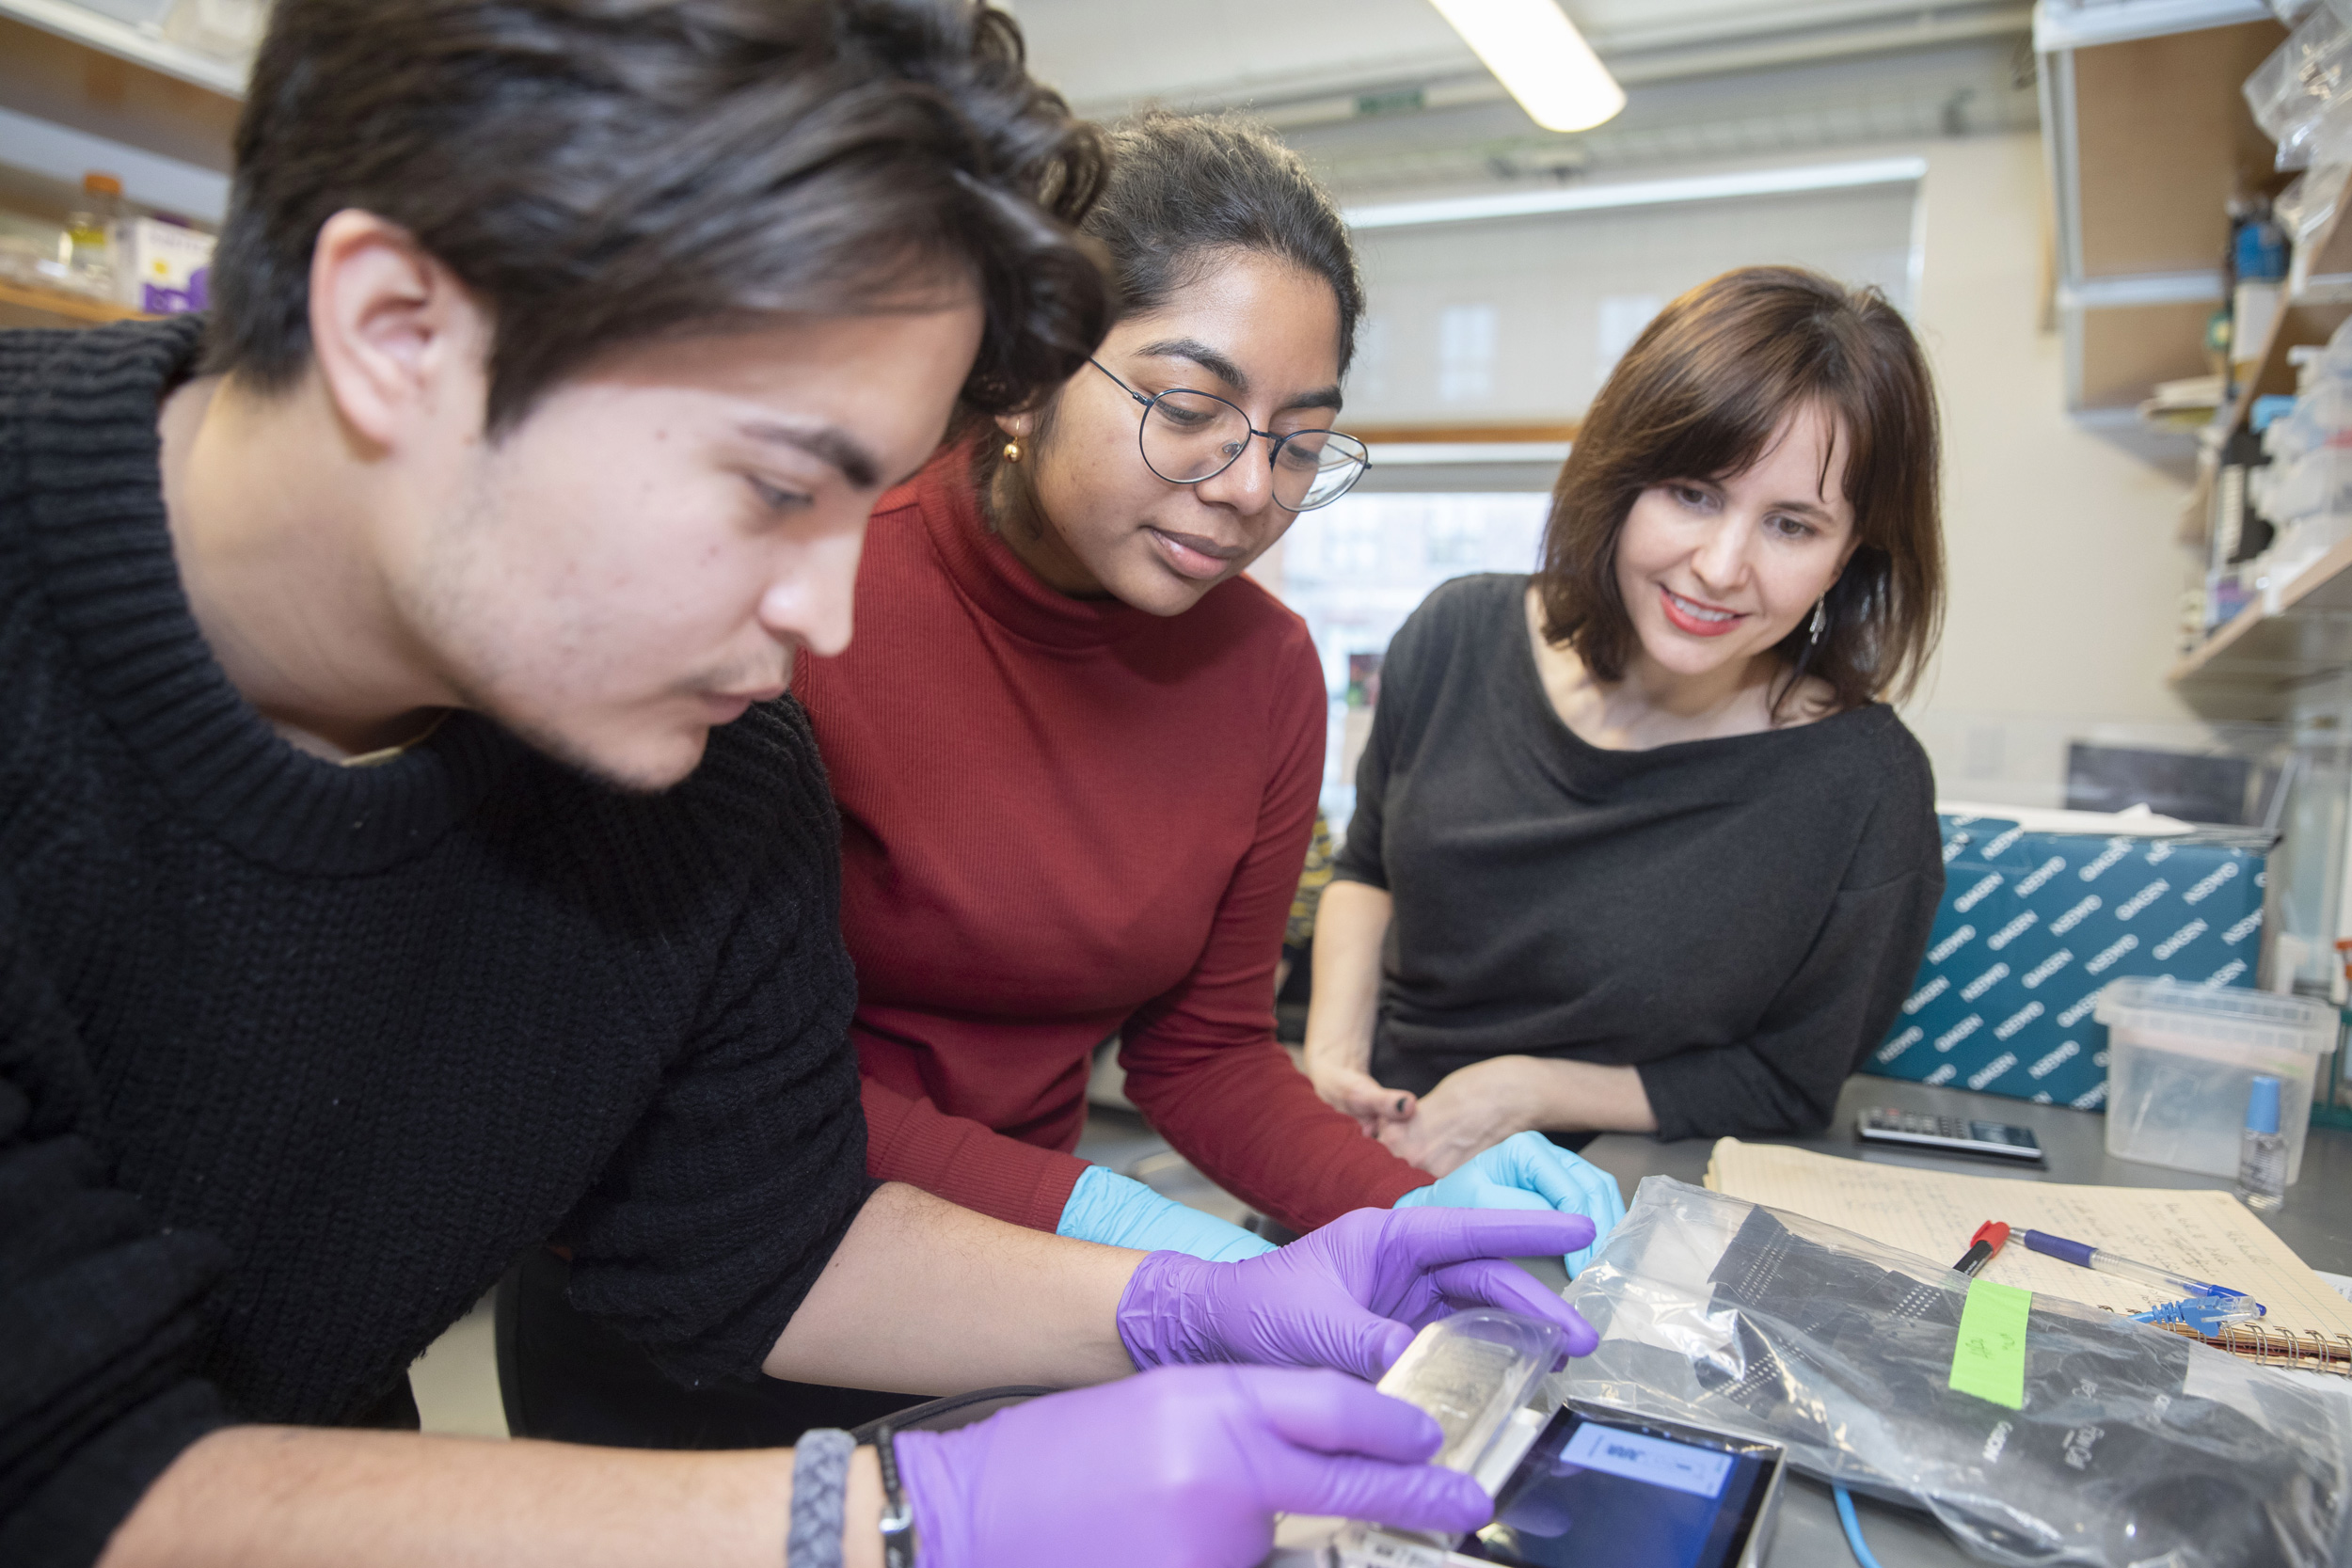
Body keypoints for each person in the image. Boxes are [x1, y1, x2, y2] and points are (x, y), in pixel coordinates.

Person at [0, 4, 1603, 1566]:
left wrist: (1171, 1300)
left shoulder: (709, 767)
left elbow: (754, 1237)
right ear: (400, 331)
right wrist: (903, 1521)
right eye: (776, 488)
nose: (826, 618)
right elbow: (65, 1479)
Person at [503, 107, 1623, 1452]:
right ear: (1026, 372)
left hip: (1020, 1298)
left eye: (1300, 439)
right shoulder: (809, 587)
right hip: (713, 1281)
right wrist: (1116, 1221)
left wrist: (1390, 1208)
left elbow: (1203, 1051)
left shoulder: (1267, 673)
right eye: (1193, 408)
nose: (1246, 484)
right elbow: (709, 1076)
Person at [1303, 266, 1946, 1174]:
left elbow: (1787, 1080)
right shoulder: (1457, 634)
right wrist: (1332, 1061)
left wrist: (1529, 1089)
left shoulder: (1866, 786)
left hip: (1614, 1209)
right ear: (1623, 478)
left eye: (1792, 525)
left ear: (1847, 559)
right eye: (1694, 493)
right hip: (1360, 1151)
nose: (1721, 566)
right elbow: (1368, 866)